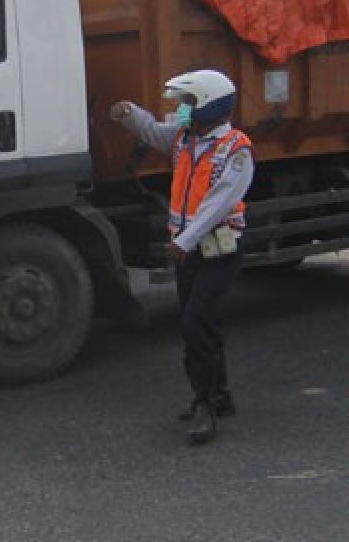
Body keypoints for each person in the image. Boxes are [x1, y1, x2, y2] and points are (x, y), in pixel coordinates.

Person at [110, 69, 254, 444]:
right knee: (205, 326)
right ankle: (219, 395)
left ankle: (204, 404)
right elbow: (153, 131)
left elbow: (219, 203)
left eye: (188, 103)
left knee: (195, 324)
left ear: (209, 105)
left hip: (218, 250)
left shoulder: (235, 149)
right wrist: (129, 113)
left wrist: (185, 240)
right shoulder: (184, 139)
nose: (182, 111)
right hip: (189, 252)